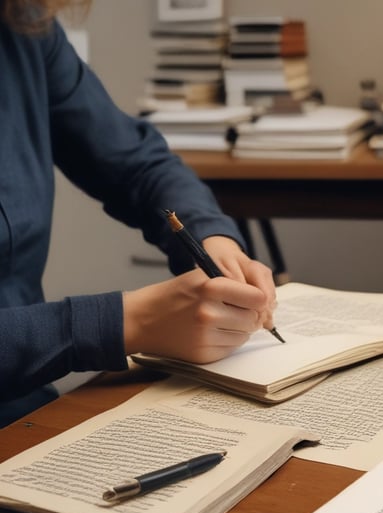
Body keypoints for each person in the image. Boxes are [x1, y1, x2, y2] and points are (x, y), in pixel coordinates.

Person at [0, 0, 277, 426]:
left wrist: (212, 239)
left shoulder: (22, 27)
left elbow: (136, 164)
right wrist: (128, 320)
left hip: (26, 417)